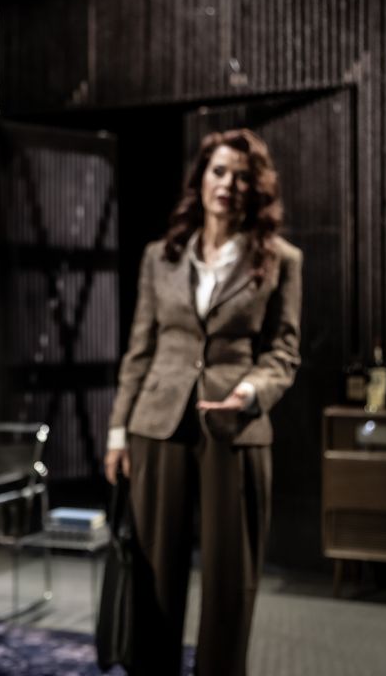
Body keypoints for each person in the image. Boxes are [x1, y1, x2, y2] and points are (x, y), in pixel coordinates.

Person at [104, 128, 302, 676]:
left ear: (256, 188)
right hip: (156, 425)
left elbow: (284, 352)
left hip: (236, 429)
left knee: (230, 577)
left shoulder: (281, 260)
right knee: (153, 570)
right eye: (219, 171)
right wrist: (118, 432)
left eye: (242, 176)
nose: (228, 184)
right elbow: (140, 349)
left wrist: (251, 392)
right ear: (202, 179)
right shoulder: (160, 256)